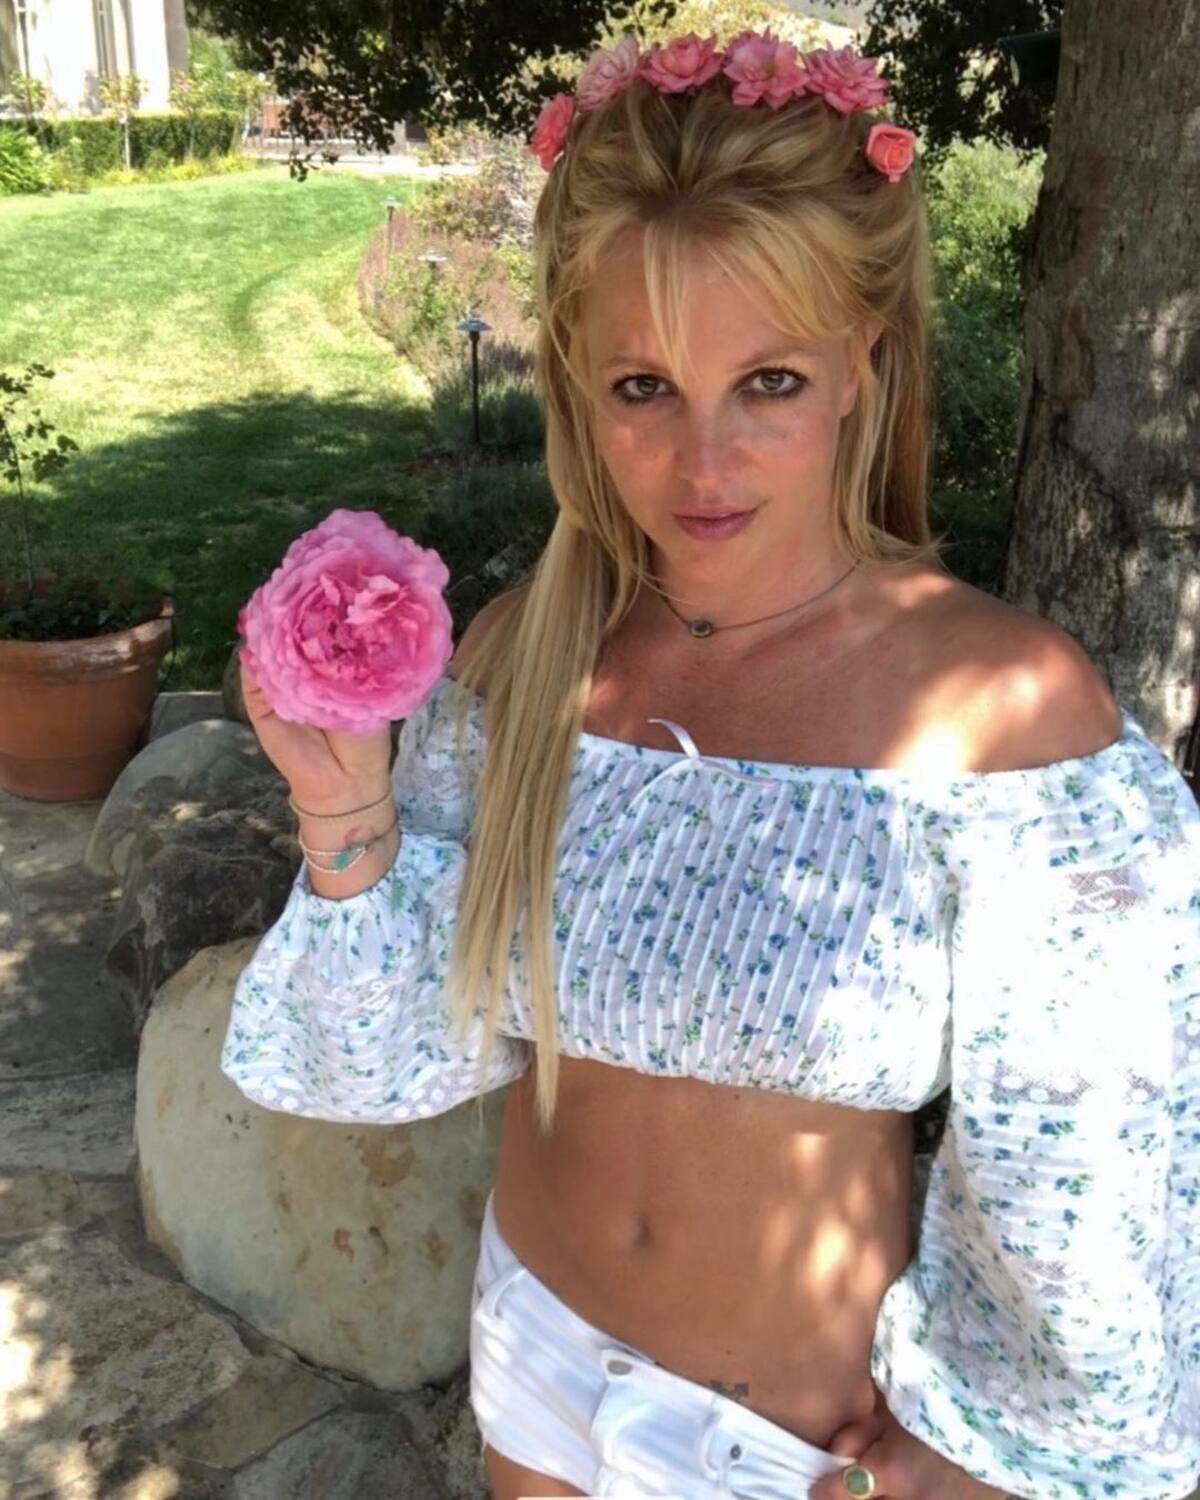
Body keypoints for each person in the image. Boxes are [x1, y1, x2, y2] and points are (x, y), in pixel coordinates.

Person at [220, 27, 1200, 1500]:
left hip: (792, 1445)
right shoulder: (527, 661)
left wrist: (998, 1453)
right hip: (535, 1358)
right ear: (575, 381)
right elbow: (408, 1049)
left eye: (770, 382)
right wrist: (343, 804)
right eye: (643, 388)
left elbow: (1092, 1146)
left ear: (864, 364)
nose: (705, 460)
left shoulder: (1001, 719)